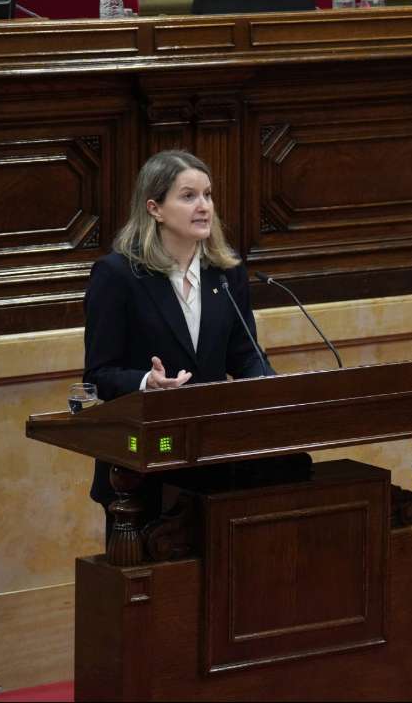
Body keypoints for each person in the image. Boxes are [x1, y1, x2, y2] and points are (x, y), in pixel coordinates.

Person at [83, 150, 272, 512]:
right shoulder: (118, 276)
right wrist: (145, 382)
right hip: (142, 470)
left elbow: (244, 354)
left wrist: (271, 387)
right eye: (188, 196)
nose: (203, 206)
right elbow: (98, 375)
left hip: (214, 461)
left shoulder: (226, 273)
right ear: (154, 208)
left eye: (208, 194)